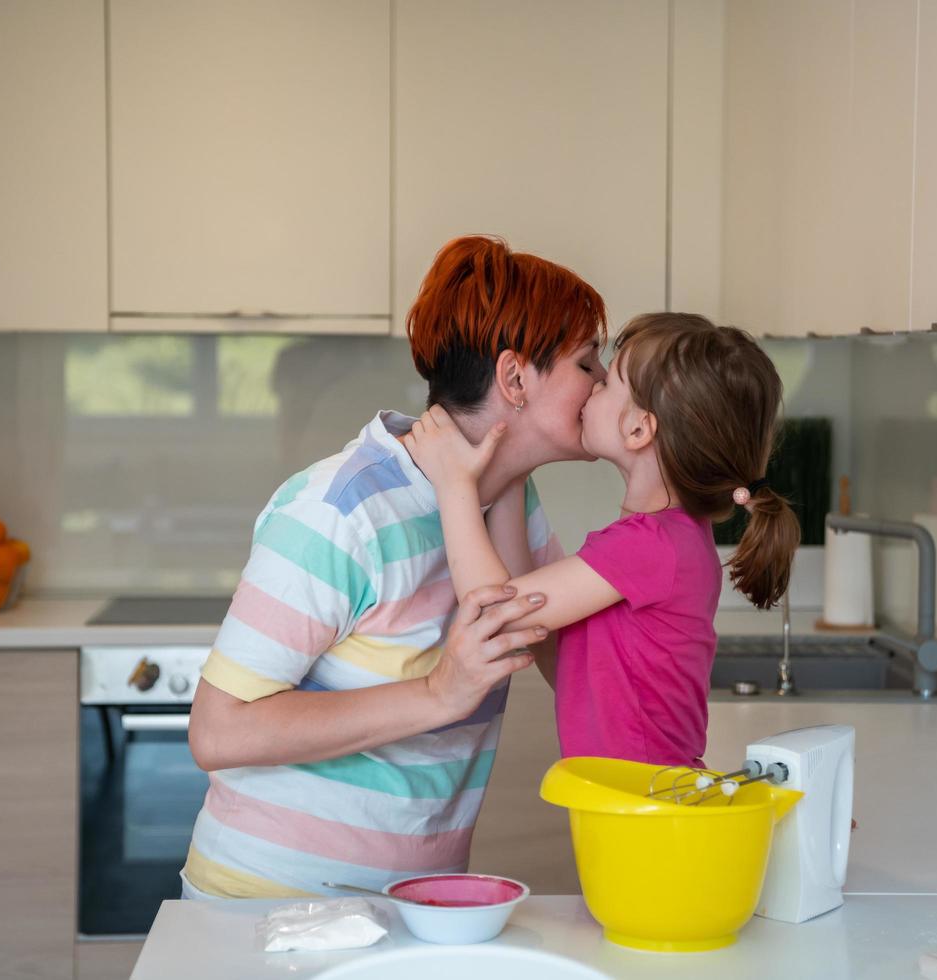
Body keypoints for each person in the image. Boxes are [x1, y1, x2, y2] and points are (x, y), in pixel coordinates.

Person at [181, 235, 608, 898]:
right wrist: (440, 692)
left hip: (410, 905)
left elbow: (568, 660)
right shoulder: (344, 508)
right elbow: (218, 730)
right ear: (516, 378)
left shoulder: (510, 505)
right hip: (269, 909)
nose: (603, 383)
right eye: (589, 363)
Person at [404, 312, 799, 768]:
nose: (592, 388)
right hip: (642, 802)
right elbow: (534, 618)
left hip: (643, 811)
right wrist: (511, 473)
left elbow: (497, 611)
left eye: (608, 382)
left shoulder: (651, 546)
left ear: (638, 429)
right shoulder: (670, 537)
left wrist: (455, 485)